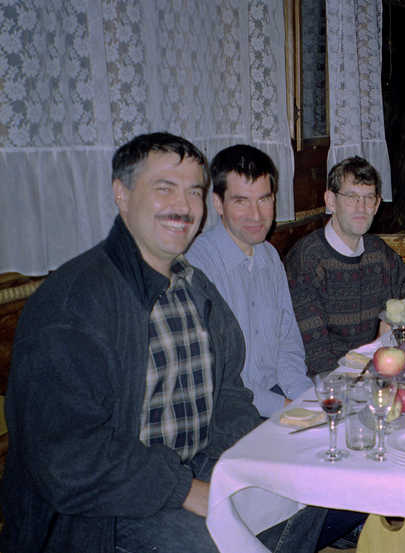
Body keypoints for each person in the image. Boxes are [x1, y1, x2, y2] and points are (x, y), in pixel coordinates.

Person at [0, 133, 325, 553]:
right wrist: (184, 489)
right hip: (102, 509)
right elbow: (68, 455)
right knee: (209, 543)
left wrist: (259, 453)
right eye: (164, 188)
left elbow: (226, 393)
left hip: (193, 464)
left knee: (308, 490)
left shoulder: (193, 285)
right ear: (121, 193)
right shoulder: (77, 302)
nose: (183, 206)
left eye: (193, 191)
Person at [187, 145, 312, 418]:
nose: (256, 215)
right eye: (241, 201)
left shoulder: (270, 256)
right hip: (226, 412)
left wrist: (306, 400)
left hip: (276, 399)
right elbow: (216, 375)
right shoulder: (199, 265)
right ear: (218, 204)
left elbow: (288, 344)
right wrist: (286, 409)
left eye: (264, 200)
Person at [285, 156, 405, 376]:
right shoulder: (308, 260)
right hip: (326, 383)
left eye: (369, 198)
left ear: (377, 205)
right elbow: (316, 357)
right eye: (351, 197)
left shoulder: (378, 252)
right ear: (331, 201)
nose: (361, 208)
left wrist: (393, 319)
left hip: (374, 369)